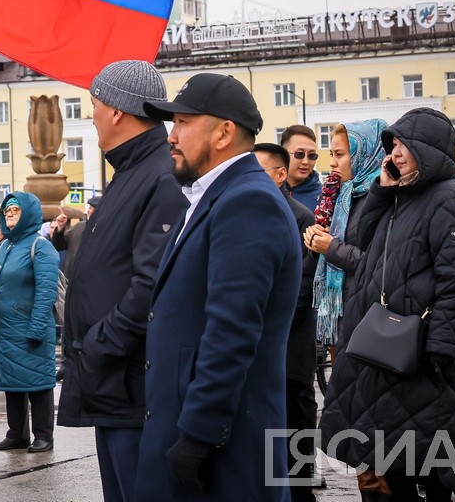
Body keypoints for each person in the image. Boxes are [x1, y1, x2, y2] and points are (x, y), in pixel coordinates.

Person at [136, 73, 300, 501]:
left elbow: (232, 332)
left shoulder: (248, 201)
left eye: (183, 123)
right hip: (195, 440)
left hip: (223, 455)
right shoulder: (212, 196)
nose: (171, 136)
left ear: (224, 132)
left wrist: (197, 435)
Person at [320, 108, 455, 502]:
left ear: (430, 149)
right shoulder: (400, 194)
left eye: (405, 145)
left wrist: (440, 346)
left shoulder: (448, 198)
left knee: (431, 456)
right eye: (393, 145)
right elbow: (367, 241)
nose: (396, 152)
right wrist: (381, 189)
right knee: (395, 454)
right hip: (389, 346)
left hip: (424, 351)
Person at [57, 59, 188, 502]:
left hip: (130, 382)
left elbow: (151, 282)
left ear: (117, 110)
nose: (90, 114)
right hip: (112, 382)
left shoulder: (158, 175)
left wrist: (99, 345)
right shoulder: (131, 171)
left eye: (94, 104)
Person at [252, 142, 318, 502]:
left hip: (290, 336)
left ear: (280, 175)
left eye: (259, 170)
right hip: (260, 336)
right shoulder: (251, 212)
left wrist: (264, 321)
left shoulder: (300, 217)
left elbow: (301, 285)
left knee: (296, 407)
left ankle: (302, 481)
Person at [0, 193, 58, 453]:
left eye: (15, 209)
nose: (9, 214)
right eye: (7, 210)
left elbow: (46, 291)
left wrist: (36, 327)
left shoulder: (41, 245)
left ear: (29, 213)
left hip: (30, 328)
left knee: (38, 383)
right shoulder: (5, 247)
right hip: (7, 328)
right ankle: (17, 434)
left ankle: (44, 435)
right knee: (12, 382)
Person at [304, 119, 388, 344]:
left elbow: (379, 265)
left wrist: (330, 247)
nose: (331, 163)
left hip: (369, 314)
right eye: (331, 154)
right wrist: (317, 243)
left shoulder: (383, 197)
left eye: (339, 155)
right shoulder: (343, 194)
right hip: (347, 310)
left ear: (365, 154)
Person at [281, 125, 322, 211]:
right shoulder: (269, 191)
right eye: (299, 154)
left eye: (312, 155)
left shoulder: (325, 198)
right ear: (283, 154)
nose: (305, 162)